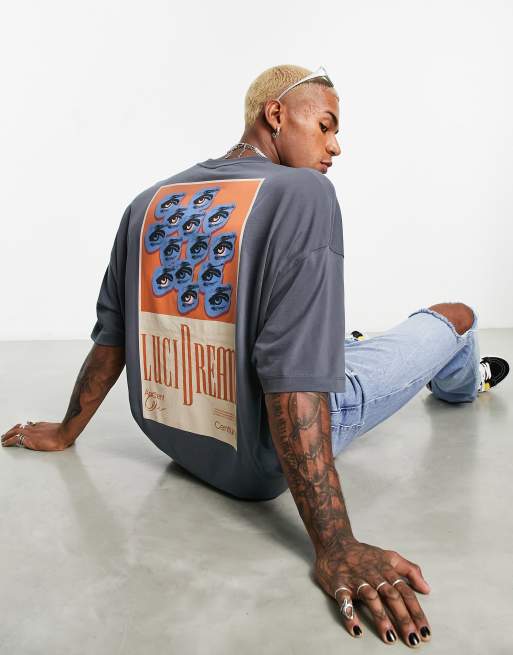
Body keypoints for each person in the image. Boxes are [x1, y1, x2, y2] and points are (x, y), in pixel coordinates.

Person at [1, 64, 509, 649]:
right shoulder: (305, 192)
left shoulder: (148, 201)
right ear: (275, 114)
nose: (335, 147)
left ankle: (346, 347)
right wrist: (335, 545)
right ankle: (463, 384)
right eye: (326, 126)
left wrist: (67, 430)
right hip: (267, 454)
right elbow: (293, 379)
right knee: (456, 316)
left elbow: (113, 335)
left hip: (176, 439)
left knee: (324, 340)